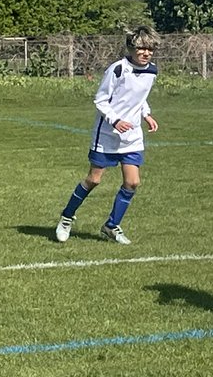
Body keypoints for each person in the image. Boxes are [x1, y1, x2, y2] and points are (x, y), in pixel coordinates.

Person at [55, 27, 161, 245]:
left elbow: (140, 99)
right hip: (107, 134)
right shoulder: (118, 70)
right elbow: (100, 100)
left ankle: (111, 226)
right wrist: (115, 120)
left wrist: (146, 115)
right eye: (141, 48)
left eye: (150, 49)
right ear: (131, 48)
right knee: (94, 179)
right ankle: (66, 217)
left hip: (132, 136)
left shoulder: (152, 71)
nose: (146, 53)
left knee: (132, 183)